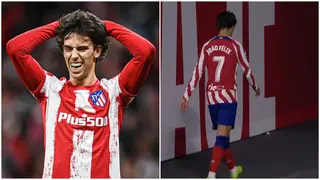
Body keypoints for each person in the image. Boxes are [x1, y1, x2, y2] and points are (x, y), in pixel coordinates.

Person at [6, 9, 156, 178]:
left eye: (82, 48)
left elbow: (146, 51)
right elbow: (15, 48)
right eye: (68, 48)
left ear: (97, 51)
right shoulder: (50, 89)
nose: (74, 56)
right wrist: (60, 26)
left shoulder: (114, 92)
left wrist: (107, 26)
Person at [180, 11, 260, 178]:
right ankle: (211, 174)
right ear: (231, 27)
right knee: (221, 137)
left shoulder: (207, 46)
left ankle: (232, 170)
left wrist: (186, 95)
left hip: (211, 99)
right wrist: (256, 87)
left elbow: (198, 72)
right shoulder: (235, 46)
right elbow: (247, 70)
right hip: (228, 97)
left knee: (224, 136)